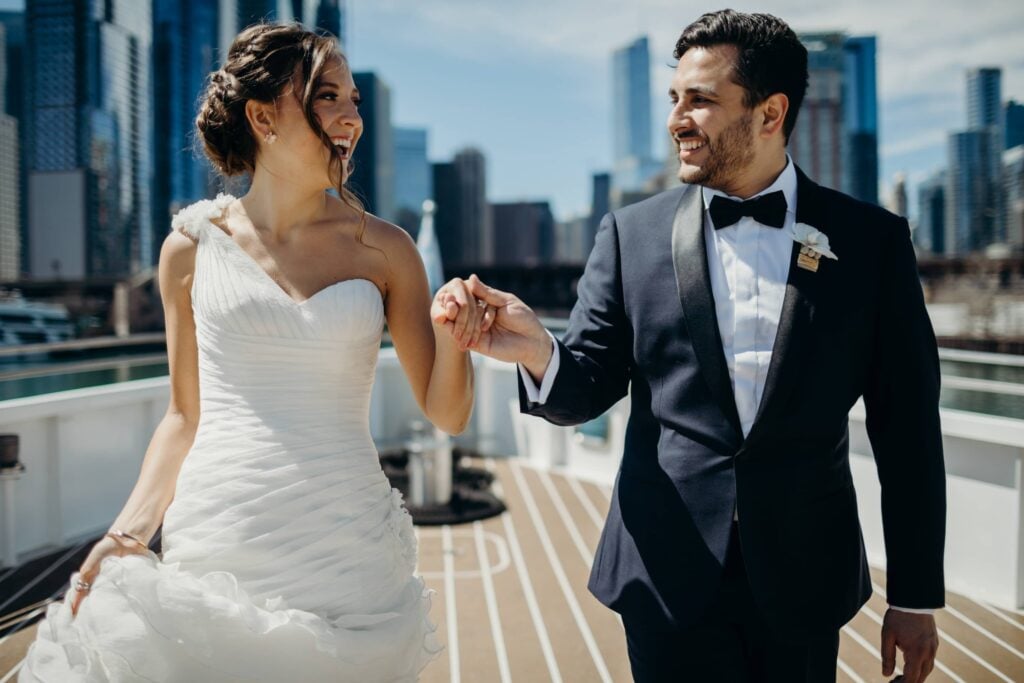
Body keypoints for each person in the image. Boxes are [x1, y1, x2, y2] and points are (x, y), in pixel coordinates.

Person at [449, 10, 945, 683]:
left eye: (702, 100)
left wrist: (914, 594)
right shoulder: (630, 234)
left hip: (803, 572)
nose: (677, 118)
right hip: (664, 570)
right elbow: (590, 382)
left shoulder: (873, 244)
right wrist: (539, 348)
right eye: (674, 98)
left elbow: (907, 430)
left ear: (770, 114)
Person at [20, 22, 485, 681]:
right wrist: (127, 531)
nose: (351, 116)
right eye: (328, 97)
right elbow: (184, 415)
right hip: (220, 534)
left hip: (346, 546)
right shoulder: (189, 247)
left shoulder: (388, 250)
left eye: (354, 99)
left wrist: (452, 334)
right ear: (264, 116)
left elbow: (448, 412)